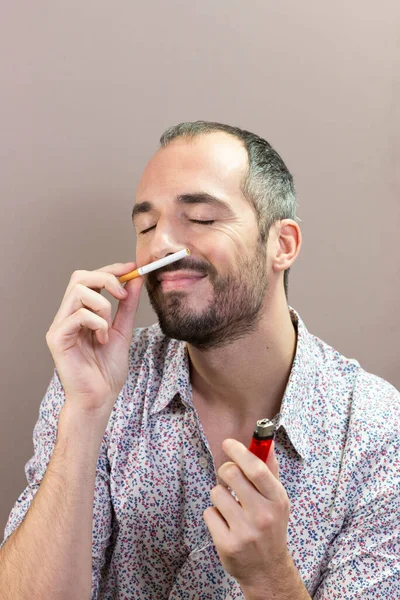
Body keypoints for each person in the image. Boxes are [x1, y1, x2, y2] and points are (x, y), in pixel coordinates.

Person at [0, 121, 399, 600]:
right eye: (146, 227)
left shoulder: (379, 436)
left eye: (203, 218)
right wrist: (84, 413)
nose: (161, 246)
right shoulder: (99, 377)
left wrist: (269, 577)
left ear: (282, 245)